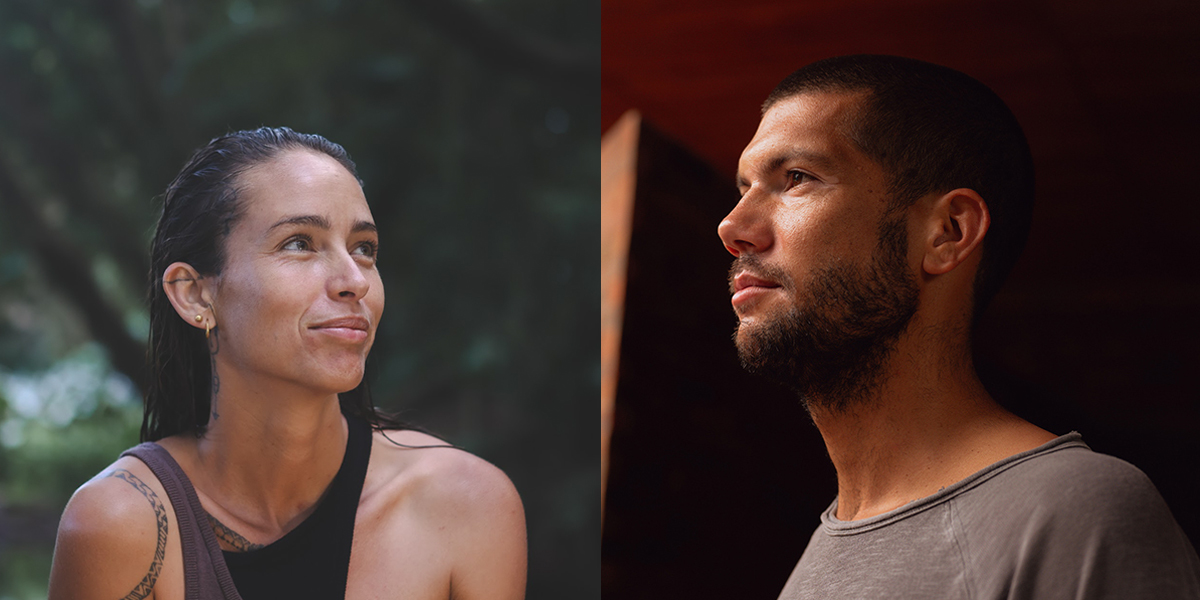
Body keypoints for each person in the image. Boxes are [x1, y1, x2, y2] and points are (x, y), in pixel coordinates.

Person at [718, 55, 1200, 599]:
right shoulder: (821, 558)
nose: (733, 227)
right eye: (744, 188)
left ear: (947, 233)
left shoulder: (1074, 512)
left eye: (796, 179)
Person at [46, 127, 527, 599]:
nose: (353, 280)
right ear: (195, 294)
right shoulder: (120, 525)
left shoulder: (465, 506)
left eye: (364, 249)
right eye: (299, 242)